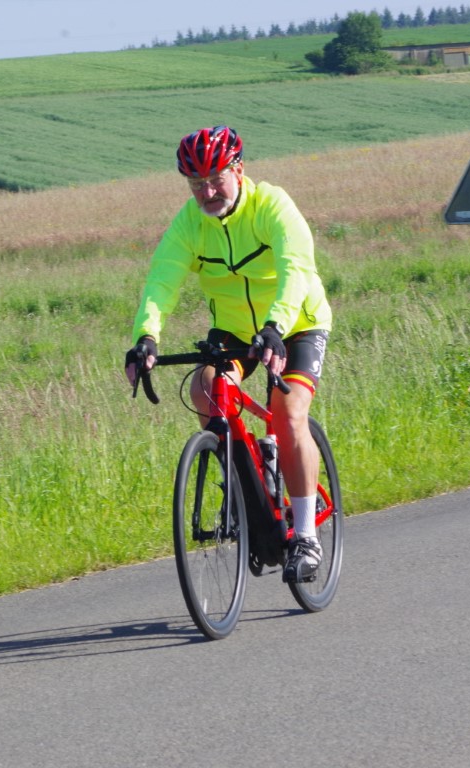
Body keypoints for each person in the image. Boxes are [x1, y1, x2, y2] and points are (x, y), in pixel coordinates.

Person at [124, 126, 332, 584]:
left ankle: (305, 536)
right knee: (205, 390)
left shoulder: (272, 205)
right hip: (236, 330)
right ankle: (243, 483)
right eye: (196, 184)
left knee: (288, 410)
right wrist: (147, 336)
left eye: (216, 179)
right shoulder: (190, 223)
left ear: (239, 170)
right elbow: (162, 279)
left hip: (296, 323)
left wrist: (276, 327)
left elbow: (296, 269)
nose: (207, 192)